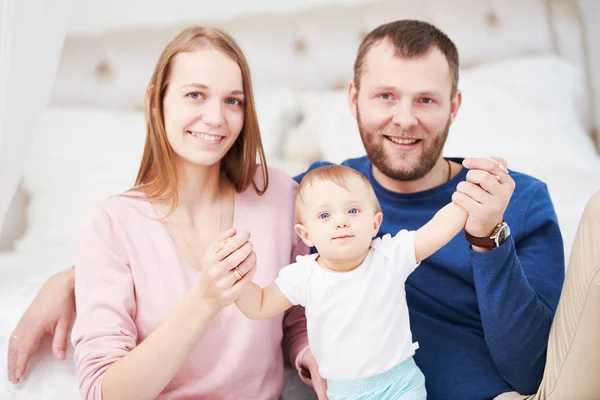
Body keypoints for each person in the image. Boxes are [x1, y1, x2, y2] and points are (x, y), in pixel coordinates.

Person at [8, 19, 600, 399]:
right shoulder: (322, 197)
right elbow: (272, 275)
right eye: (385, 96)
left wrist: (485, 236)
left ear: (454, 106)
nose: (404, 119)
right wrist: (71, 278)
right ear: (353, 100)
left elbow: (534, 370)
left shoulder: (511, 198)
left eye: (426, 99)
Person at [7, 26, 331, 399]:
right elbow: (104, 392)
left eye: (233, 101)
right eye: (196, 95)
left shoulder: (277, 195)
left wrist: (309, 355)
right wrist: (205, 300)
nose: (216, 118)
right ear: (155, 101)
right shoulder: (110, 224)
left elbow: (293, 318)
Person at [235, 164, 478, 399]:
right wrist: (235, 276)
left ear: (375, 223)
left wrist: (471, 195)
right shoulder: (303, 276)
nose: (341, 222)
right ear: (306, 234)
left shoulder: (389, 256)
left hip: (400, 384)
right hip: (344, 392)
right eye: (325, 215)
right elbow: (259, 305)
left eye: (352, 211)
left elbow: (436, 230)